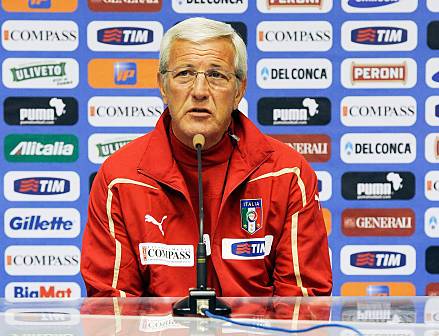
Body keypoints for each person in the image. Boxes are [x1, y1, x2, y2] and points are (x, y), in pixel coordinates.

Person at [81, 18, 332, 298]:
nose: (199, 91)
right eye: (185, 74)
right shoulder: (121, 178)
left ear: (239, 91)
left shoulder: (286, 174)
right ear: (163, 86)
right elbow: (112, 306)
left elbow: (303, 304)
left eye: (216, 75)